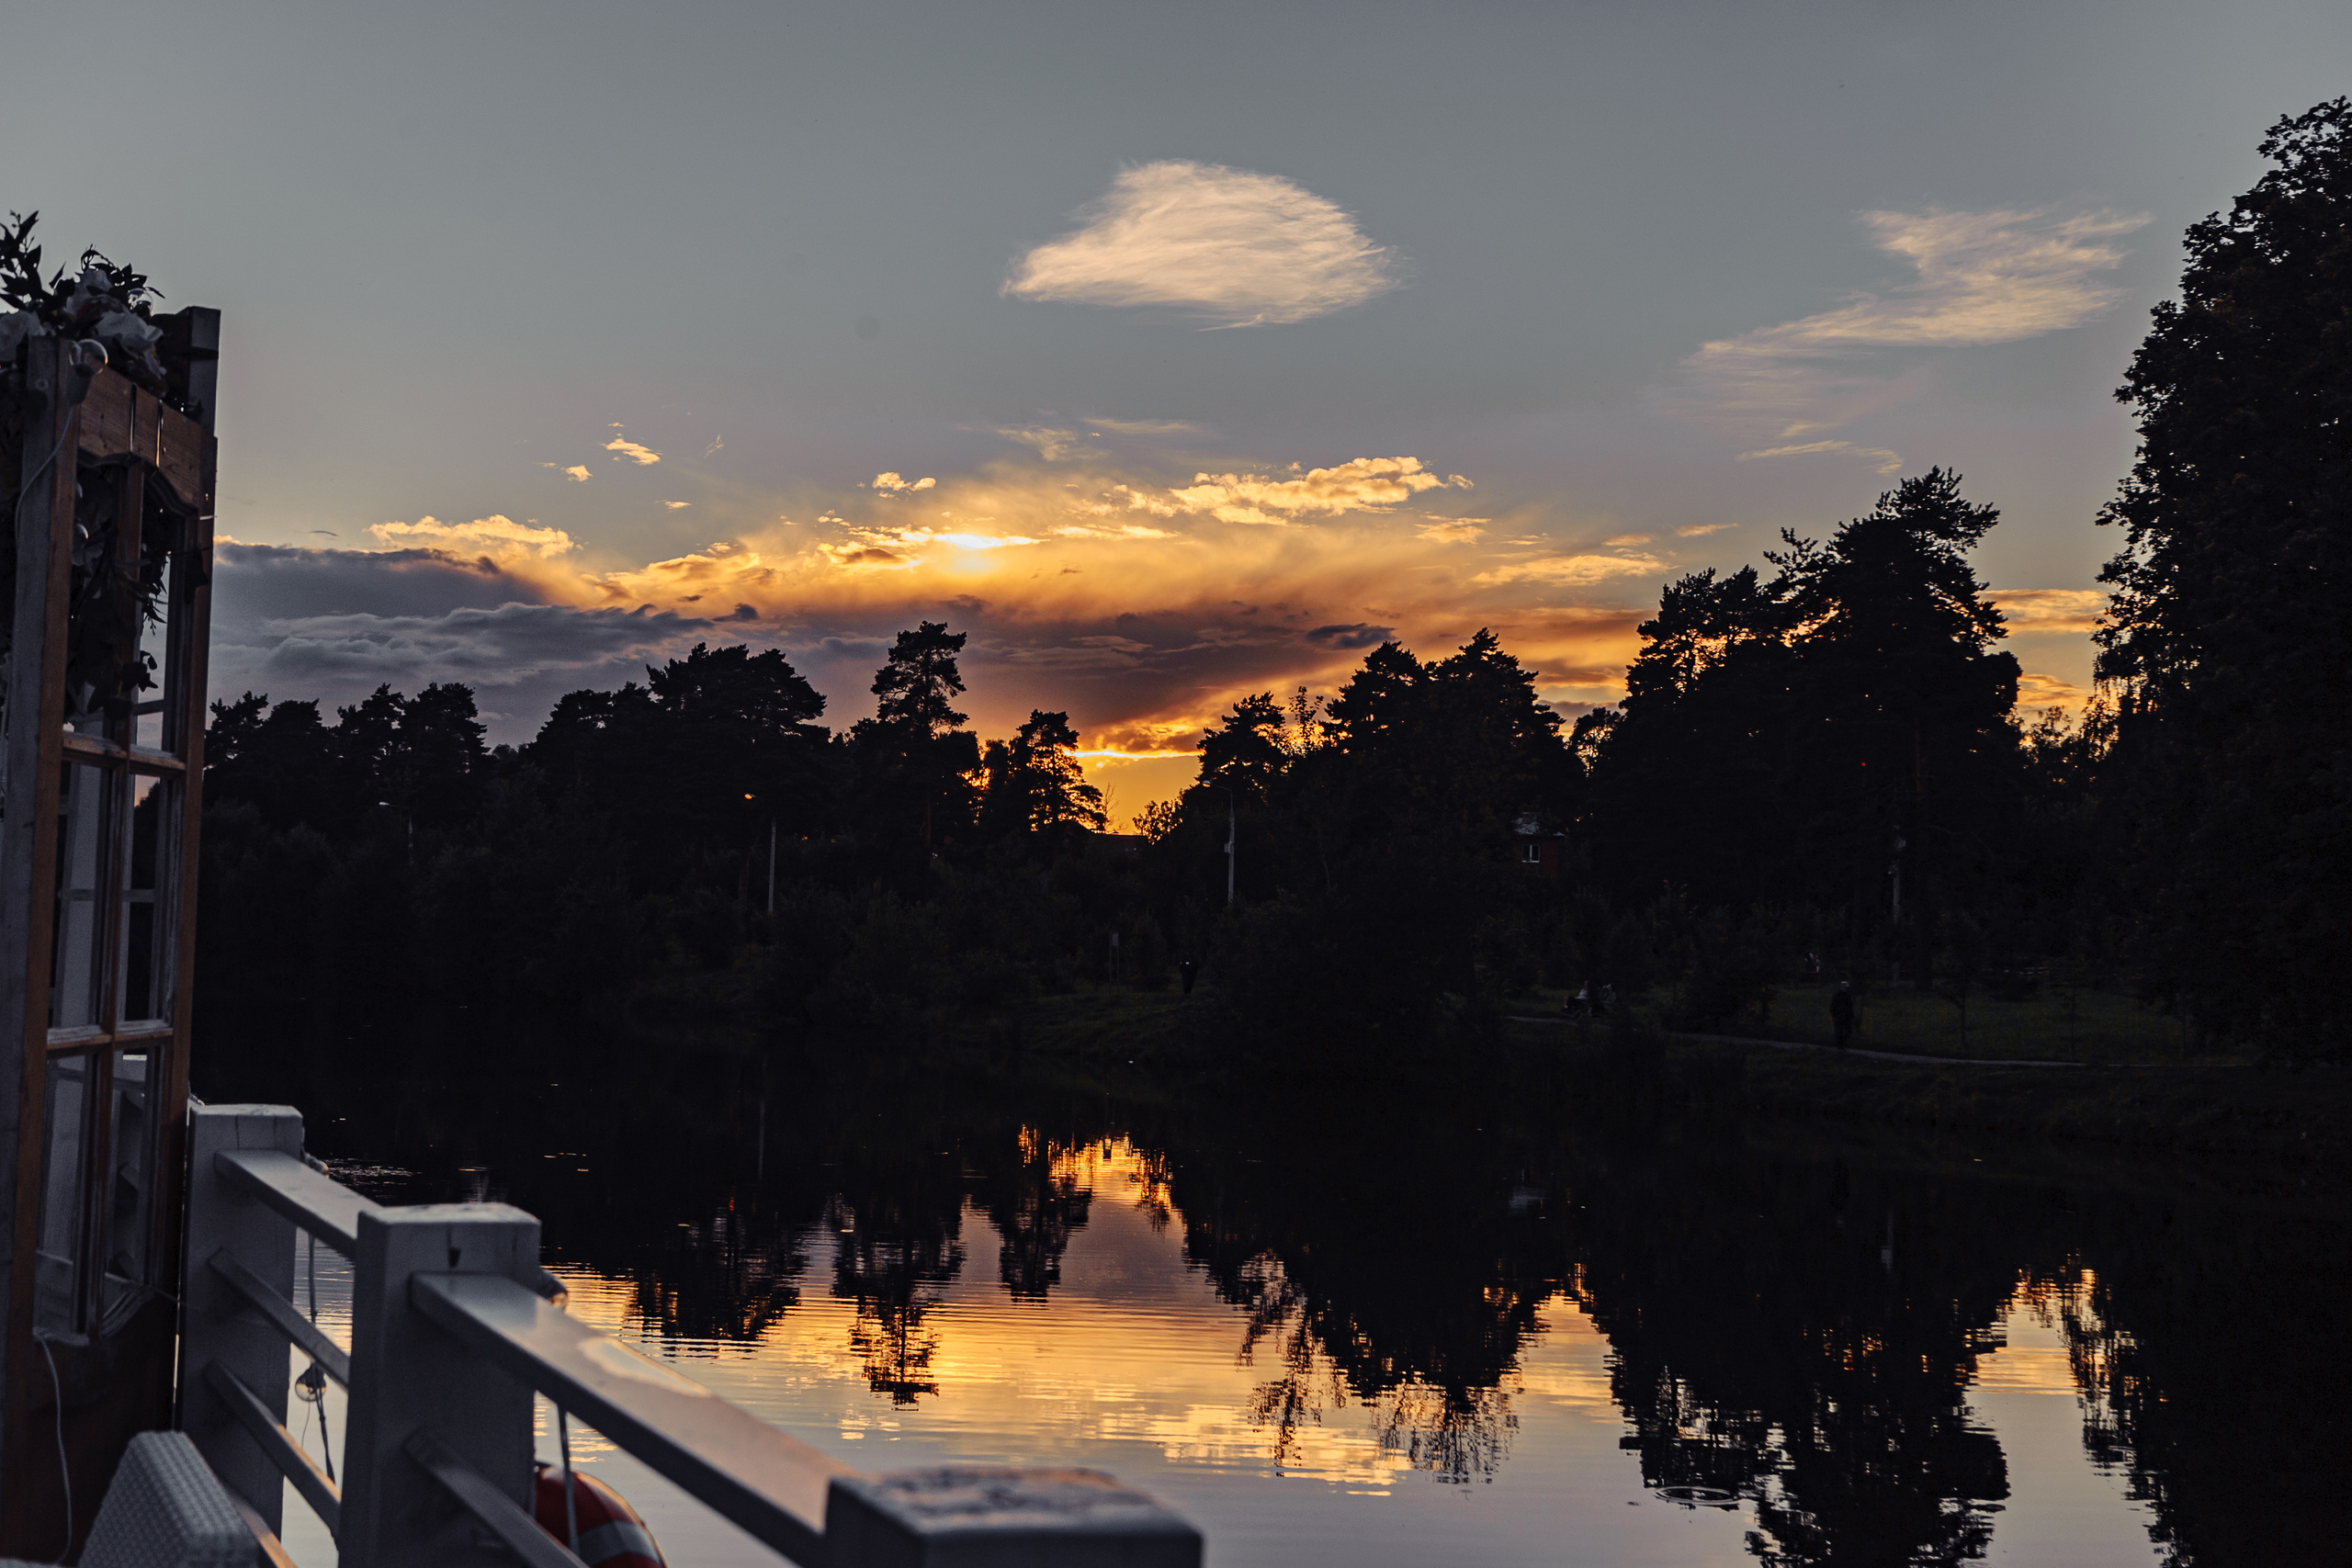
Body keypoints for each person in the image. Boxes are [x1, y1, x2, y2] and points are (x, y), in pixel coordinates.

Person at [1830, 980, 1856, 1049]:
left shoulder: (1847, 996)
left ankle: (1842, 1044)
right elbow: (1833, 1006)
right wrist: (1833, 1014)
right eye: (1845, 987)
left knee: (1847, 1031)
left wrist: (1851, 1015)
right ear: (1842, 987)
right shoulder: (1837, 995)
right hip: (1839, 1016)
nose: (1846, 989)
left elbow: (1850, 1006)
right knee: (1839, 1032)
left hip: (1846, 1016)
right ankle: (1840, 1046)